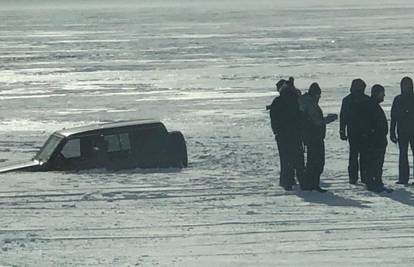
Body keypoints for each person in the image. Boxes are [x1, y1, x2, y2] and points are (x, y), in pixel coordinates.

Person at [299, 83, 337, 192]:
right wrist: (329, 119)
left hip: (310, 136)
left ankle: (310, 183)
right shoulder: (310, 104)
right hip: (314, 137)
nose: (319, 97)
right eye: (318, 95)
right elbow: (317, 122)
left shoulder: (305, 102)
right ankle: (312, 183)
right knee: (316, 162)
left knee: (313, 161)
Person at [270, 79, 305, 190]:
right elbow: (301, 116)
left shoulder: (278, 101)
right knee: (298, 159)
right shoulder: (296, 101)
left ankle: (286, 181)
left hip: (282, 135)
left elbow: (273, 118)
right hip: (295, 134)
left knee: (285, 159)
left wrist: (276, 131)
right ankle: (301, 180)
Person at [339, 79, 371, 184]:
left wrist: (342, 130)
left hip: (358, 132)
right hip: (359, 132)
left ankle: (356, 177)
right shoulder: (363, 100)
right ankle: (361, 176)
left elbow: (343, 117)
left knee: (357, 155)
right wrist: (342, 130)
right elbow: (343, 116)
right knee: (360, 155)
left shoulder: (349, 100)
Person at [363, 84, 391, 193]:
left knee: (376, 163)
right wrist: (376, 135)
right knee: (375, 163)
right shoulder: (372, 106)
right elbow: (370, 124)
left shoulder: (372, 105)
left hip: (376, 140)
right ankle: (375, 183)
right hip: (375, 141)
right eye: (382, 93)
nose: (383, 95)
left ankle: (375, 182)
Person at [390, 77, 414, 185]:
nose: (407, 87)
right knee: (403, 155)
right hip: (402, 131)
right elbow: (393, 117)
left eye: (408, 85)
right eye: (405, 85)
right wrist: (392, 132)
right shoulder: (398, 99)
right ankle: (403, 178)